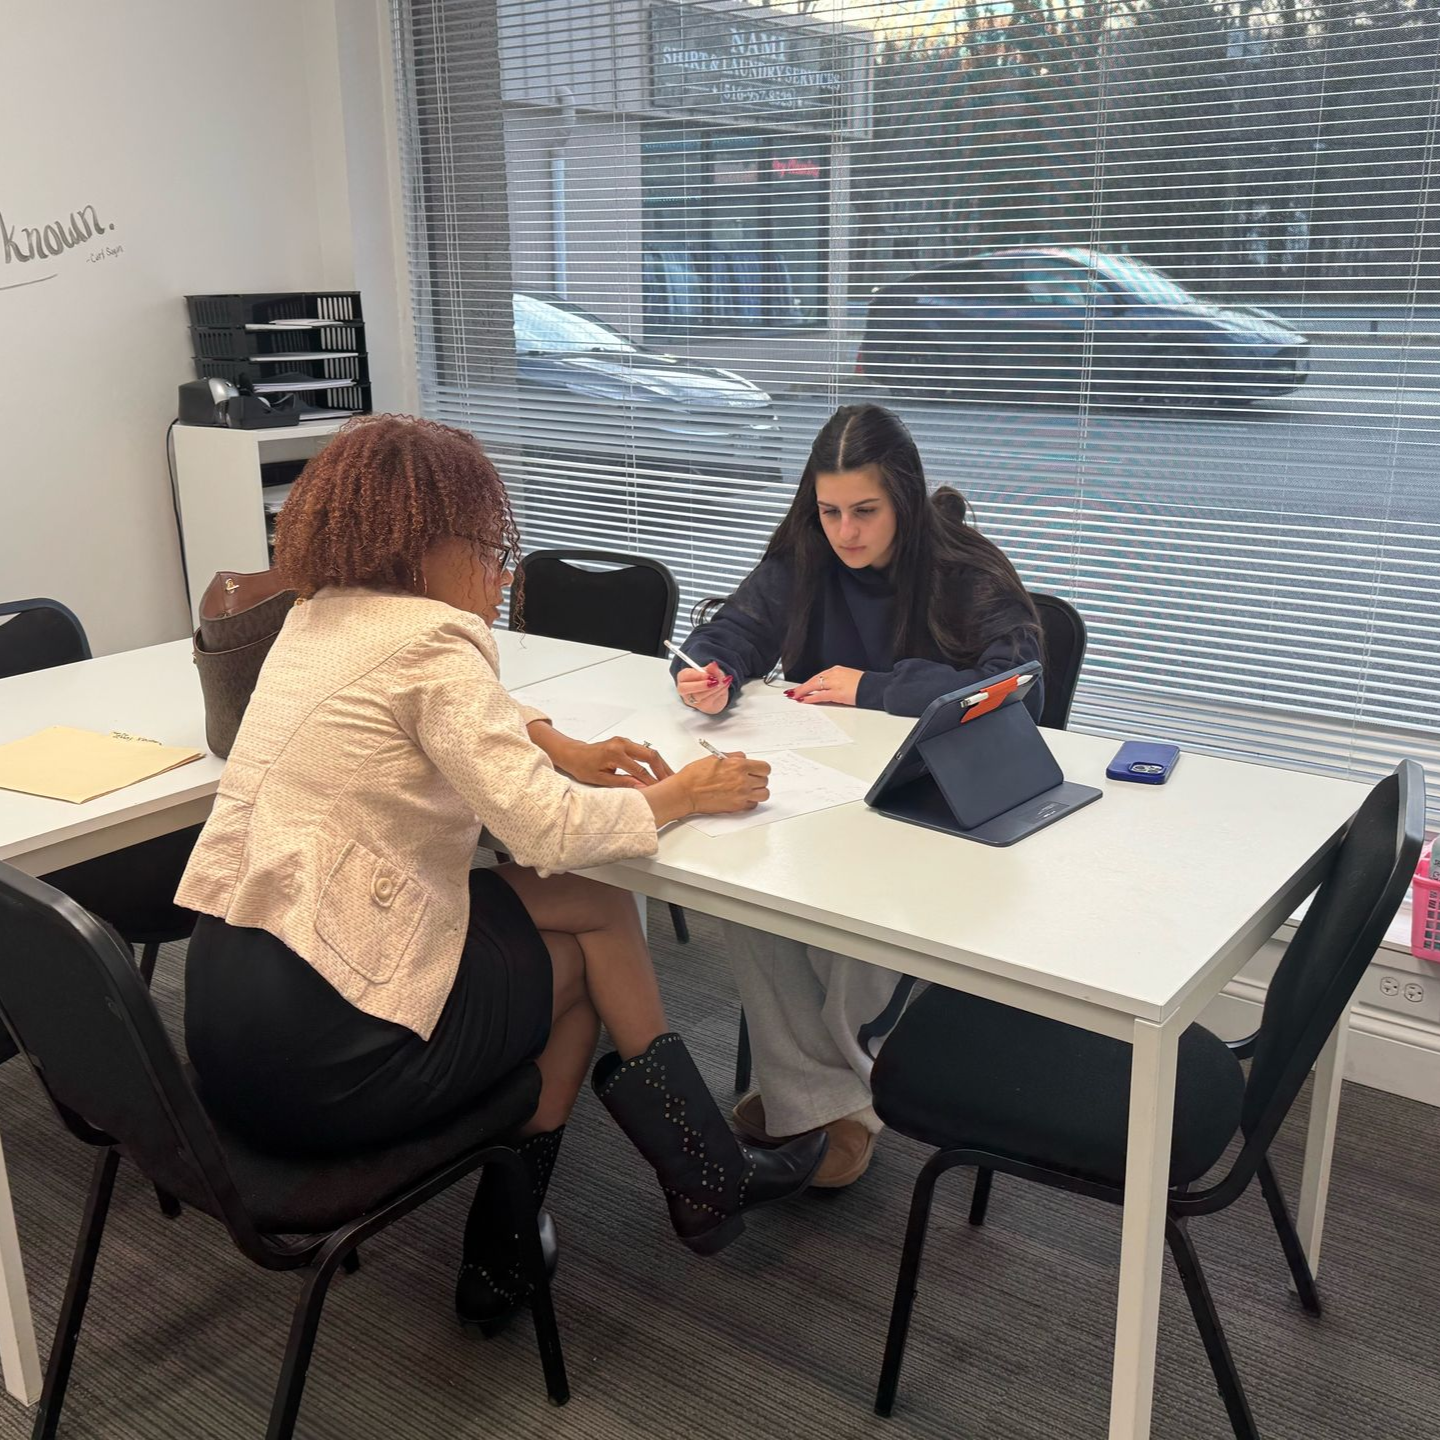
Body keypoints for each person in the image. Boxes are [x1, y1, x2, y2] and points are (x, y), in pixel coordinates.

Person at [176, 415, 826, 1338]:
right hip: (329, 1063)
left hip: (229, 1019)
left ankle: (663, 1185)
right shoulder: (434, 642)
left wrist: (553, 739)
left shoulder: (316, 615)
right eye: (487, 547)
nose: (500, 572)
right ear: (423, 544)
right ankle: (565, 1219)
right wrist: (684, 794)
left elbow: (452, 714)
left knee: (595, 910)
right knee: (585, 961)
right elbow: (550, 828)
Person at [669, 403, 1042, 1189]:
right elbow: (736, 628)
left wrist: (875, 688)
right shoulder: (807, 555)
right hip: (825, 794)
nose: (846, 532)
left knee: (856, 916)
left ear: (903, 496)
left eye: (865, 511)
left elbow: (1017, 685)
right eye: (830, 511)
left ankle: (816, 1107)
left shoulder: (962, 571)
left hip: (933, 809)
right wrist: (709, 673)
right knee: (749, 894)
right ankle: (832, 1106)